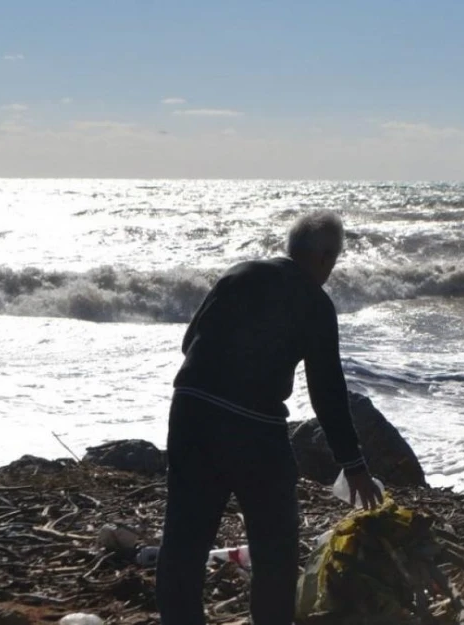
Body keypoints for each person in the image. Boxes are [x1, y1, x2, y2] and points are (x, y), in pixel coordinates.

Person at [157, 210, 382, 625]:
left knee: (185, 540)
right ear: (325, 258)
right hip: (253, 428)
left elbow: (190, 341)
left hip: (190, 411)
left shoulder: (238, 274)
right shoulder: (315, 302)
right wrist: (354, 466)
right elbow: (327, 391)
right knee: (275, 546)